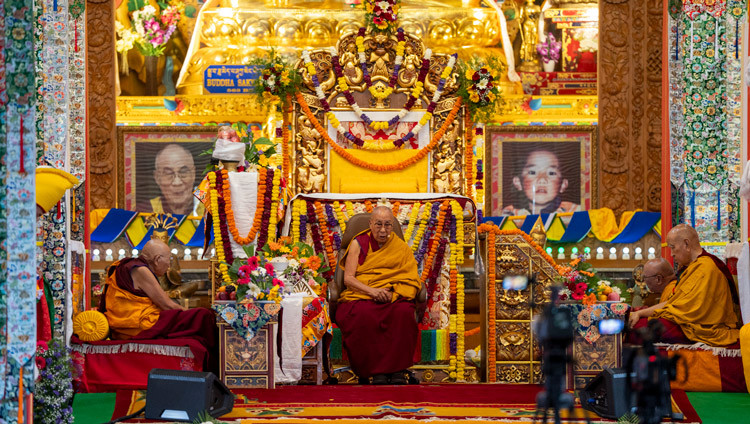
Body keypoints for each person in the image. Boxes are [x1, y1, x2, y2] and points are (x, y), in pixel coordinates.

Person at [336, 206, 422, 384]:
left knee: (404, 312)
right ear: (370, 224)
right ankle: (373, 372)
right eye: (378, 224)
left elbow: (410, 277)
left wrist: (393, 293)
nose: (383, 230)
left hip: (391, 295)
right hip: (362, 293)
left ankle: (397, 370)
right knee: (364, 315)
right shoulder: (357, 243)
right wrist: (373, 292)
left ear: (393, 226)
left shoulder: (400, 247)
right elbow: (349, 279)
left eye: (388, 225)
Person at [630, 224, 741, 346]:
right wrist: (640, 313)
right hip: (686, 321)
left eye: (673, 247)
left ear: (686, 244)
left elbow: (687, 311)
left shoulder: (706, 268)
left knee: (640, 330)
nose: (671, 254)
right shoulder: (691, 268)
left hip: (701, 328)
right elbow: (675, 303)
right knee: (640, 324)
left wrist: (650, 314)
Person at [98, 239, 216, 352]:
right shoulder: (141, 270)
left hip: (124, 326)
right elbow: (167, 305)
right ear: (157, 259)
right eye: (169, 259)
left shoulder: (130, 266)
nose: (169, 265)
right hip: (138, 327)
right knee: (203, 315)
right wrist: (191, 315)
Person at [502, 147, 579, 215]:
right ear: (518, 183)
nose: (542, 179)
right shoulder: (509, 214)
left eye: (551, 173)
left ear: (563, 185)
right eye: (532, 172)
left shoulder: (574, 213)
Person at [149, 143, 202, 216]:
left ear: (193, 174)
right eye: (169, 173)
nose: (177, 182)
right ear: (157, 178)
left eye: (183, 172)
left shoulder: (209, 208)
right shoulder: (146, 211)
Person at [628, 258, 677, 328]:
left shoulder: (673, 289)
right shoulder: (668, 288)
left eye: (645, 277)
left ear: (658, 279)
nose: (643, 281)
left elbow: (667, 311)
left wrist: (639, 313)